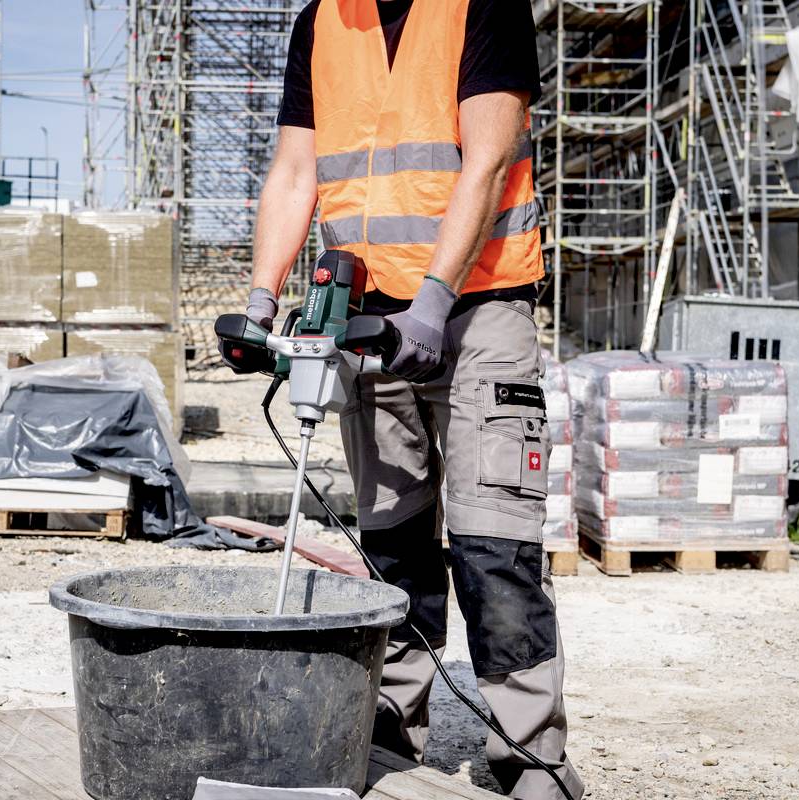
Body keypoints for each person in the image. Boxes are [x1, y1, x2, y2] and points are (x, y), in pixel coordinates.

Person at [238, 1, 583, 798]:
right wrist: (259, 301)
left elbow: (488, 160)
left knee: (496, 545)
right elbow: (295, 172)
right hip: (367, 314)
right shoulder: (322, 21)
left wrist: (434, 298)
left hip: (479, 307)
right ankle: (391, 721)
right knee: (389, 543)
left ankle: (531, 756)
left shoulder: (482, 3)